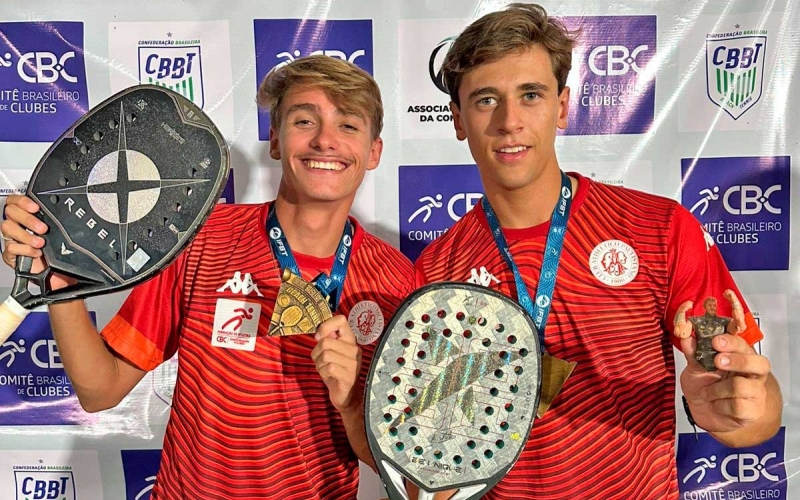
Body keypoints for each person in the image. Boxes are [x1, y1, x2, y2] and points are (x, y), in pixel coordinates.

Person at [1, 55, 414, 499]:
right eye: (304, 120)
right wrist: (61, 280)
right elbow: (100, 390)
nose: (325, 141)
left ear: (374, 151)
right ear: (276, 140)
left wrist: (351, 404)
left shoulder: (395, 282)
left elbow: (404, 473)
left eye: (348, 125)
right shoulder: (201, 238)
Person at [413, 4, 782, 499]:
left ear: (563, 107)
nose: (509, 121)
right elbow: (434, 455)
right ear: (458, 119)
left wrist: (735, 407)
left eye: (530, 95)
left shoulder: (660, 229)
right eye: (485, 100)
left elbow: (749, 409)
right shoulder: (436, 270)